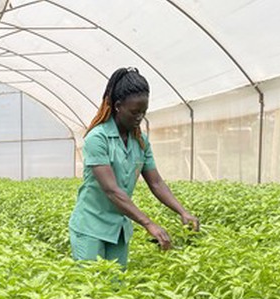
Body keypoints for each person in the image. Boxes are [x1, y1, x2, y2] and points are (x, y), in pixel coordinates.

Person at [67, 67, 200, 267]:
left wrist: (182, 211)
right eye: (135, 112)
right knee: (90, 289)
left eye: (143, 112)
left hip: (118, 228)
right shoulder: (98, 138)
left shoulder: (140, 141)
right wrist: (148, 223)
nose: (140, 117)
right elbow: (111, 190)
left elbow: (156, 183)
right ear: (118, 106)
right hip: (90, 227)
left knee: (116, 291)